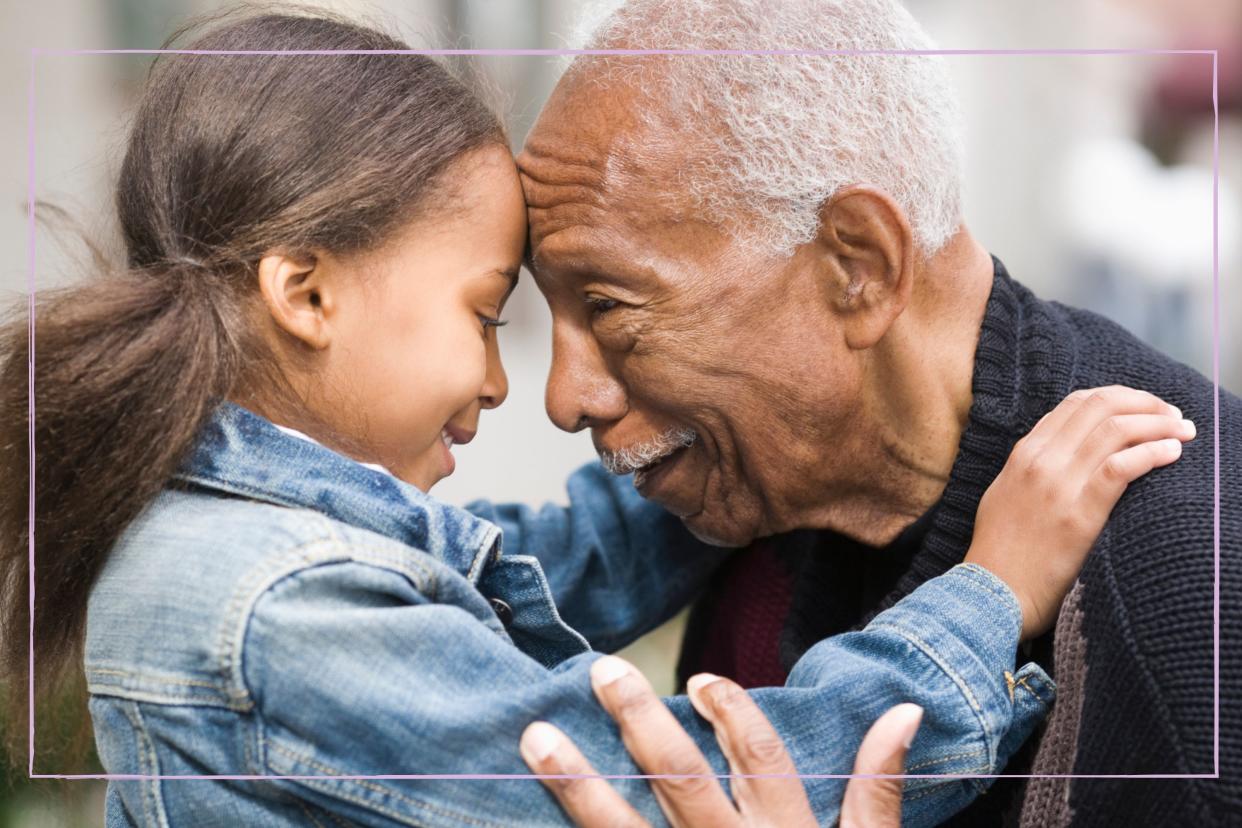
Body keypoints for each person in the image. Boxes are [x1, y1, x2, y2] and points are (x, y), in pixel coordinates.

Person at [0, 10, 1190, 828]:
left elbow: (548, 568)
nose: (537, 391)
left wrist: (735, 449)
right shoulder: (277, 603)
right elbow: (669, 788)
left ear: (858, 269)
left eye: (607, 309)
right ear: (305, 294)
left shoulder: (258, 541)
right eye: (489, 315)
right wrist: (990, 592)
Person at [514, 0, 1241, 824]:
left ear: (857, 264)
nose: (566, 399)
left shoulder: (1193, 607)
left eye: (608, 308)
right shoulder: (758, 490)